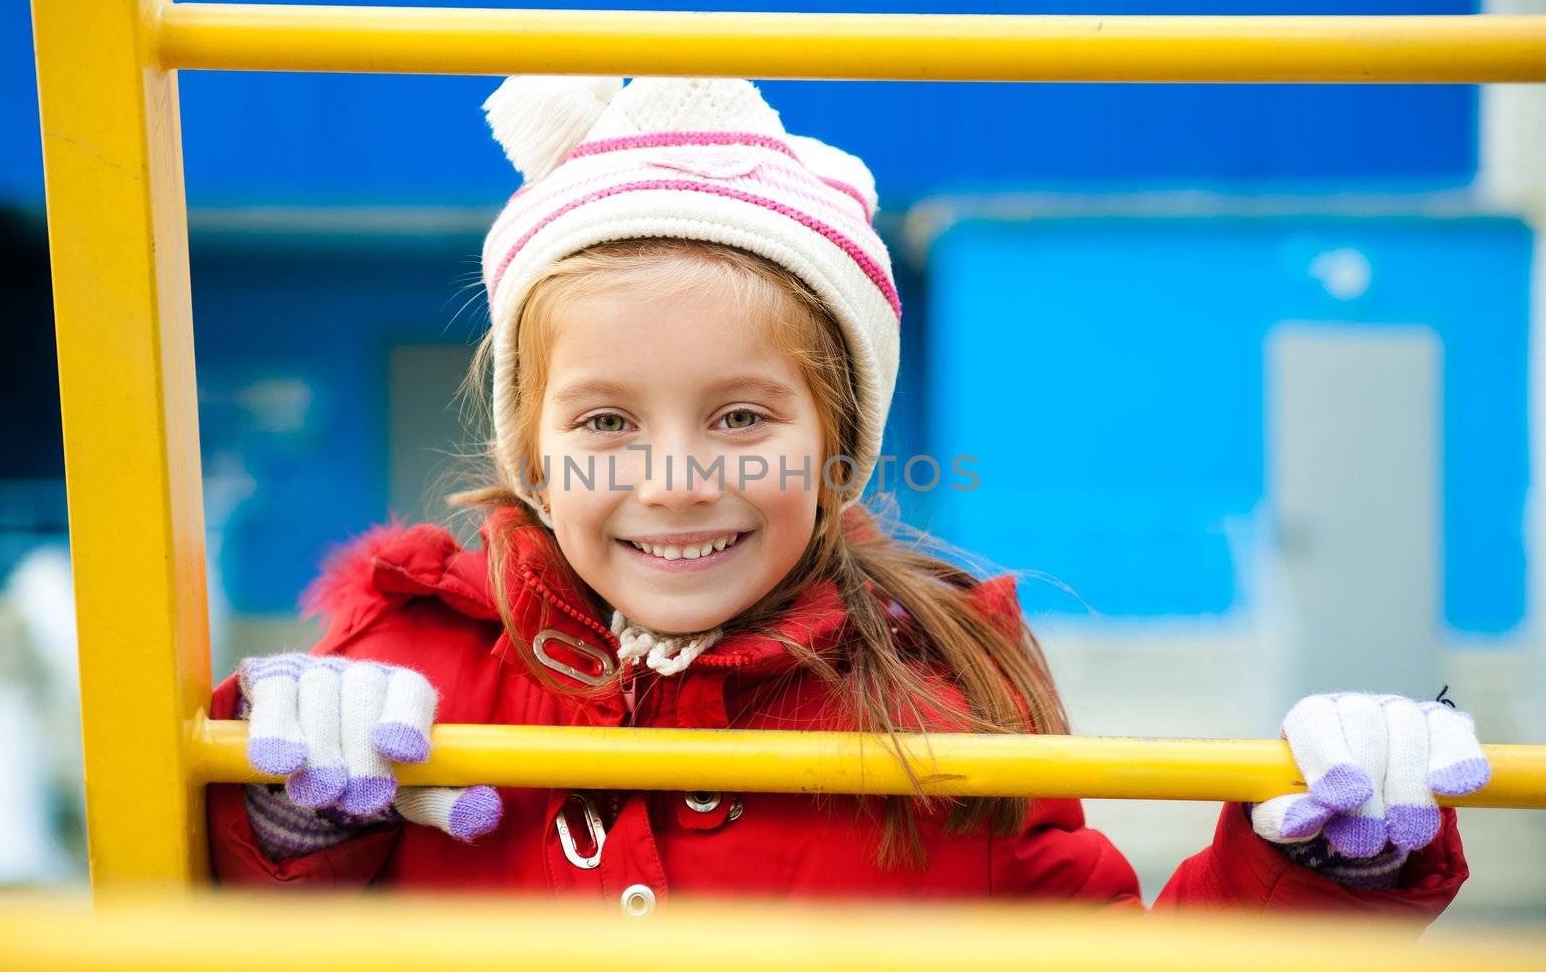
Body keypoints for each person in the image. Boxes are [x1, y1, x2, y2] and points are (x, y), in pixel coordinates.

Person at [206, 76, 1489, 917]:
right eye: (605, 422)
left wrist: (1315, 863)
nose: (674, 478)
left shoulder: (944, 692)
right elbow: (233, 925)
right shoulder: (415, 670)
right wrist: (282, 822)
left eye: (743, 417)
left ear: (841, 445)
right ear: (531, 452)